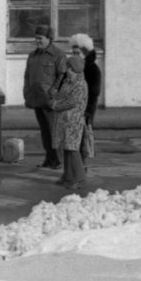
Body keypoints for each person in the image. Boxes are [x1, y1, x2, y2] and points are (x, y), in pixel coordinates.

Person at [22, 24, 67, 170]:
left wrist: (54, 93)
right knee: (45, 132)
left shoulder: (58, 55)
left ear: (49, 38)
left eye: (40, 38)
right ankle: (49, 159)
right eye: (35, 38)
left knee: (54, 131)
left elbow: (62, 76)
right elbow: (27, 76)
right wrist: (26, 92)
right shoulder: (32, 56)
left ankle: (59, 161)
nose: (37, 41)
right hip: (37, 99)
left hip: (52, 101)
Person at [47, 55, 89, 190]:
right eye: (67, 68)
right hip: (65, 121)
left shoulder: (80, 84)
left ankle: (79, 178)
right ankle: (68, 176)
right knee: (66, 149)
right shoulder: (67, 82)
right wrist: (57, 84)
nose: (67, 71)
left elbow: (72, 102)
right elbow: (57, 95)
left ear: (76, 69)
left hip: (74, 121)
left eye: (70, 68)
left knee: (73, 150)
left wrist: (56, 106)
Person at [70, 32, 102, 166]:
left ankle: (81, 165)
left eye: (78, 53)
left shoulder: (92, 69)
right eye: (74, 52)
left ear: (85, 53)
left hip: (85, 109)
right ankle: (75, 165)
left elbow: (94, 93)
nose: (75, 55)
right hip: (71, 108)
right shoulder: (72, 67)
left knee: (83, 137)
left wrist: (87, 111)